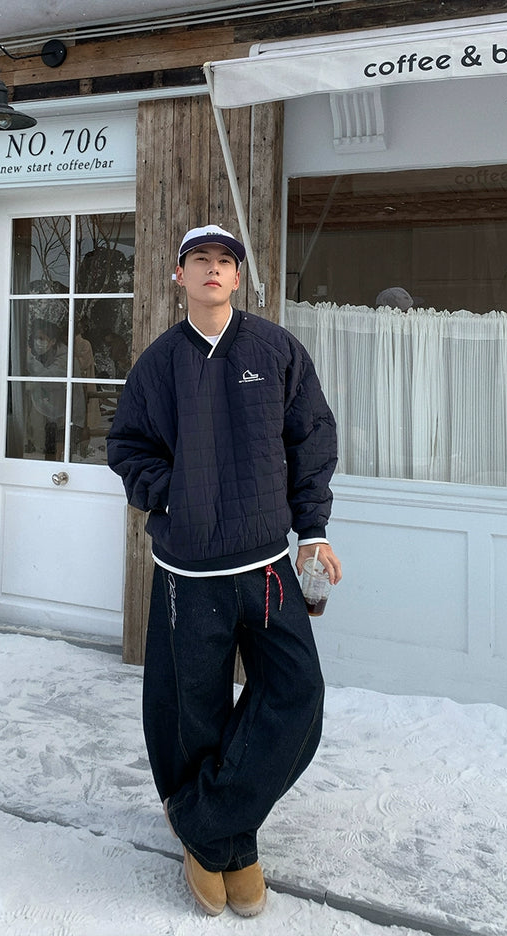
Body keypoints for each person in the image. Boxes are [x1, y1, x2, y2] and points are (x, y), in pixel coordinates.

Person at [106, 224, 342, 918]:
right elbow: (127, 448)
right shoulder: (157, 365)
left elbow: (311, 440)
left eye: (224, 262)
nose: (213, 270)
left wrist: (314, 531)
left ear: (238, 278)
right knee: (191, 712)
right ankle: (233, 847)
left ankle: (205, 827)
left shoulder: (275, 352)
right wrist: (175, 493)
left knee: (297, 698)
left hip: (268, 566)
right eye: (199, 260)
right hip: (189, 573)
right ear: (178, 276)